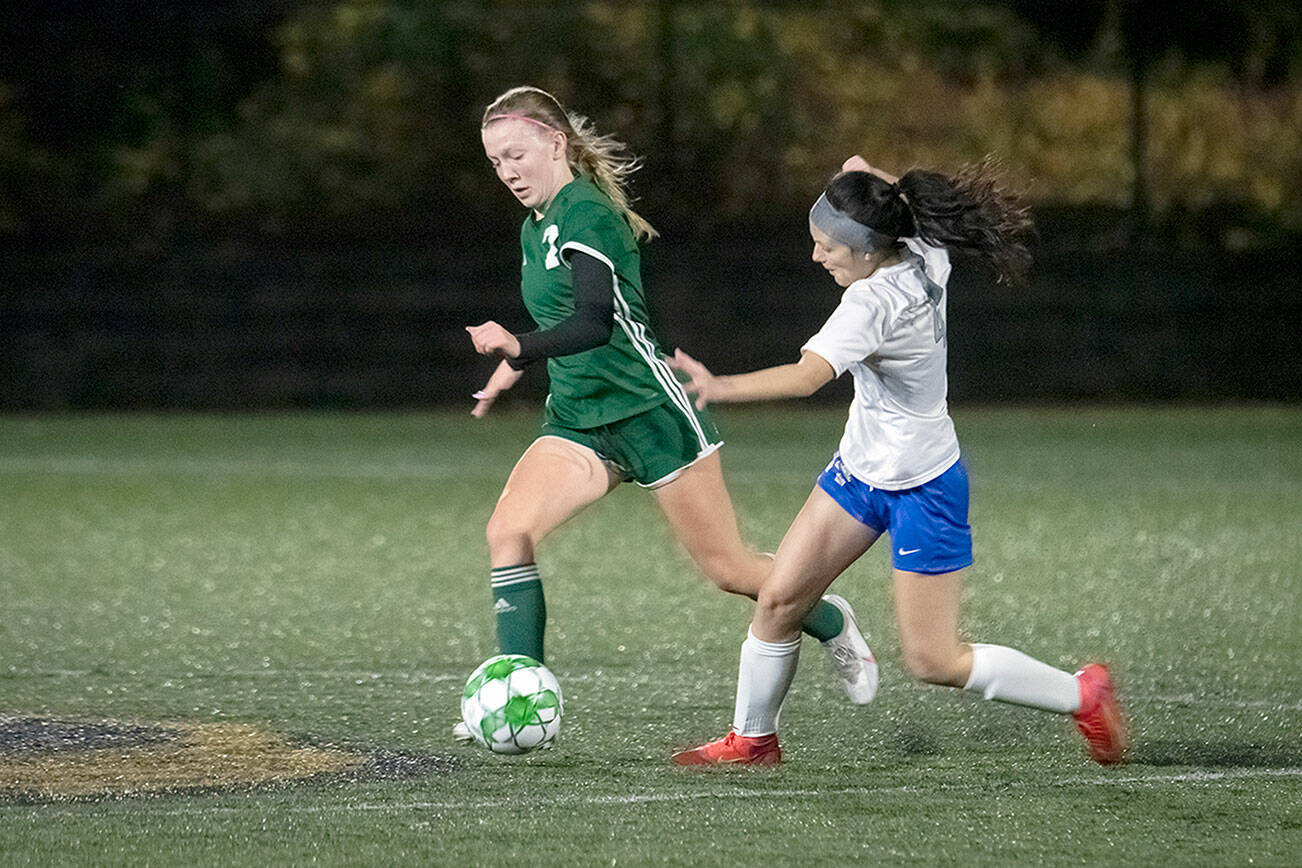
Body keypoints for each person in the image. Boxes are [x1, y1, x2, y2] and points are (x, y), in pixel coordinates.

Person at [669, 155, 1126, 766]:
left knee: (933, 660)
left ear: (865, 250)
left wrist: (717, 387)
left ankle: (1083, 694)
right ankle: (753, 741)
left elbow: (807, 377)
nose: (816, 256)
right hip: (860, 473)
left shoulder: (870, 304)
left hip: (924, 485)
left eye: (828, 246)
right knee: (779, 600)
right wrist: (868, 185)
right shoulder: (921, 242)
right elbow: (863, 171)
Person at [457, 87, 879, 740]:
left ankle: (830, 619)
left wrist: (518, 346)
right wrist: (514, 363)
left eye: (516, 154)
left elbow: (594, 322)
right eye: (495, 162)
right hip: (578, 420)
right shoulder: (534, 225)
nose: (507, 171)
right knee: (507, 533)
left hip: (652, 414)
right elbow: (557, 318)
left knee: (730, 570)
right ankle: (520, 692)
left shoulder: (587, 214)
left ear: (556, 144)